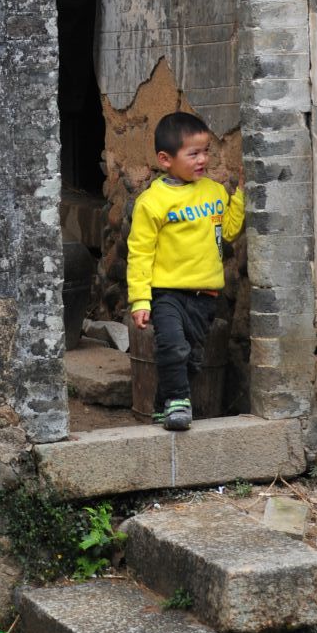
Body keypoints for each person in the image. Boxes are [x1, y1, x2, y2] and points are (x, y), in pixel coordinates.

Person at [126, 111, 244, 432]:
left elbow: (229, 231)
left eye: (206, 151)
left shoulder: (214, 193)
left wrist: (242, 195)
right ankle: (179, 400)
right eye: (193, 153)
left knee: (190, 358)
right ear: (165, 159)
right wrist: (140, 300)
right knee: (173, 347)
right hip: (167, 293)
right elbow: (140, 253)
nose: (202, 159)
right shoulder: (153, 202)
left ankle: (163, 407)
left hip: (205, 296)